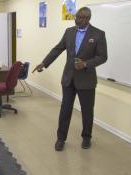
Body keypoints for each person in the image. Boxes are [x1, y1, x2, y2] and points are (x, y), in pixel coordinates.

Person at [32, 7, 107, 151]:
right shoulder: (69, 32)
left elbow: (103, 57)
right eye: (77, 17)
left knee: (87, 111)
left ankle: (86, 137)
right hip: (68, 78)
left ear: (88, 18)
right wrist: (44, 63)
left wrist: (85, 64)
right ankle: (61, 138)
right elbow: (58, 49)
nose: (77, 20)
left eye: (81, 17)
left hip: (87, 80)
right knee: (65, 109)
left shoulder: (98, 34)